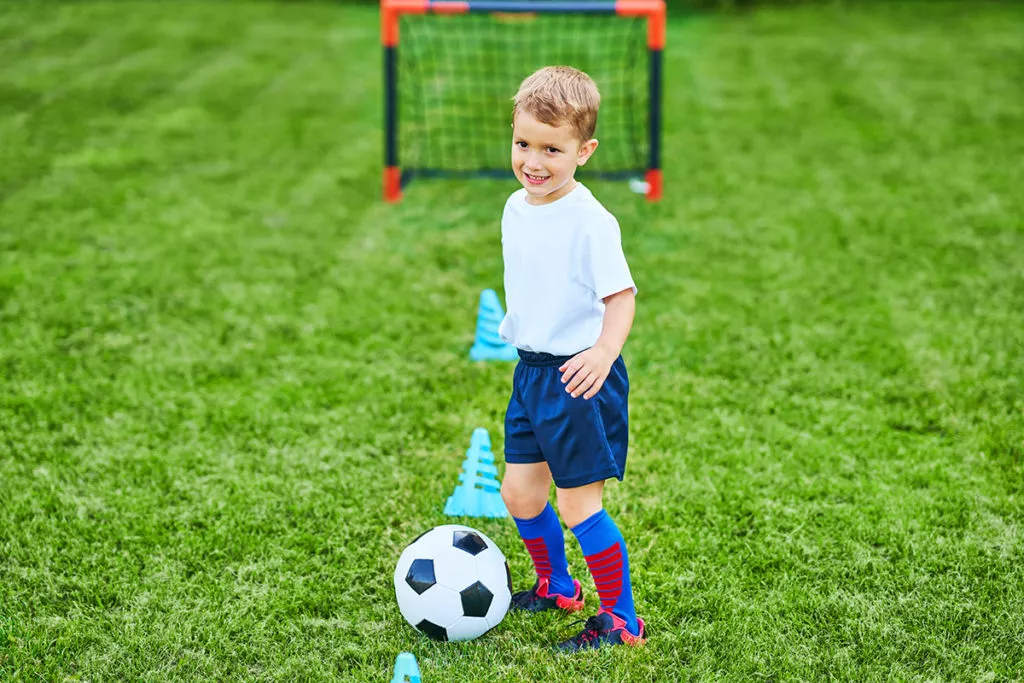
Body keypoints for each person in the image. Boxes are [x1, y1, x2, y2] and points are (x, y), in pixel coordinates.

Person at [498, 65, 646, 652]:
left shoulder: (592, 222)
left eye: (551, 149)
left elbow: (621, 297)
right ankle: (558, 585)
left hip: (577, 377)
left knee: (579, 504)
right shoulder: (516, 205)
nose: (534, 161)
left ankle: (621, 619)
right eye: (523, 143)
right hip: (531, 373)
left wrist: (604, 352)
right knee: (519, 494)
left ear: (583, 151)